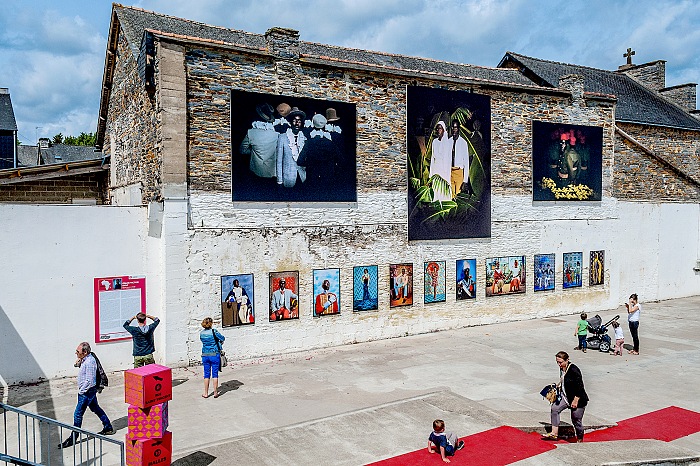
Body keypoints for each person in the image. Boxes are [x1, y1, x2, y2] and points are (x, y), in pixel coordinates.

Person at [58, 342, 114, 448]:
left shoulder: (89, 362)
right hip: (88, 391)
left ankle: (73, 438)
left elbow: (90, 381)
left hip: (86, 392)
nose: (76, 353)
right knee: (96, 408)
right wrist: (79, 361)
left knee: (77, 414)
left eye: (77, 352)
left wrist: (81, 391)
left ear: (85, 352)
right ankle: (108, 427)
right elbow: (78, 365)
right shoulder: (87, 358)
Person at [542, 351, 588, 442]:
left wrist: (575, 400)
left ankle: (579, 438)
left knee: (576, 420)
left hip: (577, 399)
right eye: (557, 362)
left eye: (561, 362)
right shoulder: (562, 368)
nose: (559, 364)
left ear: (567, 360)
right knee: (555, 408)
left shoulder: (574, 370)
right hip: (566, 397)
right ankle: (554, 433)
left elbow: (580, 386)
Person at [296, 114, 341, 193]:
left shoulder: (309, 143)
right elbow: (341, 161)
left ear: (313, 125)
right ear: (324, 126)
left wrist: (311, 164)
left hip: (312, 179)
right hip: (328, 180)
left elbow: (300, 161)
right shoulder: (330, 143)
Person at [240, 103, 279, 178]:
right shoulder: (277, 133)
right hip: (272, 173)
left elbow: (242, 150)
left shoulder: (250, 133)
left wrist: (254, 151)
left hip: (256, 171)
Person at [276, 107, 307, 188]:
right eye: (294, 120)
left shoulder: (304, 138)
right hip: (288, 178)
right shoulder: (282, 137)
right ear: (290, 122)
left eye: (299, 121)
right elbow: (279, 161)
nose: (297, 123)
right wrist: (279, 181)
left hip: (302, 178)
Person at [200, 317, 225, 398]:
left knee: (206, 374)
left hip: (205, 355)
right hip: (214, 354)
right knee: (215, 374)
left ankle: (206, 393)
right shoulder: (214, 331)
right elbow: (222, 338)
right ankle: (215, 393)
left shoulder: (201, 333)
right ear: (211, 323)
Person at [429, 121, 451, 201]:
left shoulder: (447, 142)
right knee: (436, 189)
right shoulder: (434, 142)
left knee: (443, 189)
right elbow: (432, 158)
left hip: (444, 170)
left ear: (444, 130)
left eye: (440, 129)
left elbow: (448, 159)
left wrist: (447, 172)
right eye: (437, 129)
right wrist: (431, 175)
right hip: (436, 168)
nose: (439, 130)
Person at [448, 120, 470, 198]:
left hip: (459, 172)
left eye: (456, 127)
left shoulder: (463, 143)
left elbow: (466, 162)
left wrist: (465, 181)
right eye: (452, 127)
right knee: (450, 196)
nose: (454, 129)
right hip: (450, 172)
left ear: (459, 129)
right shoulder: (448, 142)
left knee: (458, 196)